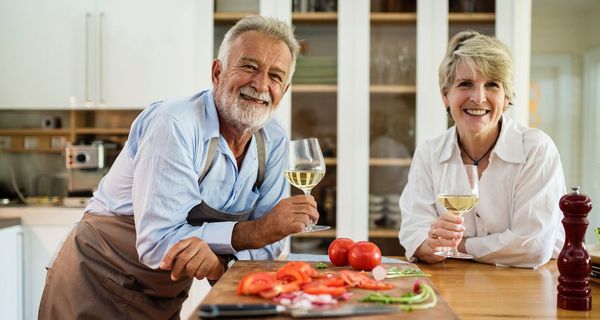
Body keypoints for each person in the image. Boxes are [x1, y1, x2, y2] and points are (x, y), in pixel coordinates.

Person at [39, 16, 318, 319]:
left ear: (284, 90)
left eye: (275, 76)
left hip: (165, 294)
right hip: (95, 283)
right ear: (217, 72)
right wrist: (253, 232)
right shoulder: (175, 124)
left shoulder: (273, 139)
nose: (261, 84)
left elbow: (269, 246)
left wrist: (223, 263)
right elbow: (159, 242)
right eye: (249, 67)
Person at [399, 30, 566, 269]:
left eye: (492, 85)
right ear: (446, 95)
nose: (478, 98)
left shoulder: (536, 150)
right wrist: (432, 245)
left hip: (529, 287)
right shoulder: (430, 152)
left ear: (506, 97)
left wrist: (457, 246)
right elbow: (413, 233)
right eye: (465, 84)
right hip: (451, 284)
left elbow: (532, 246)